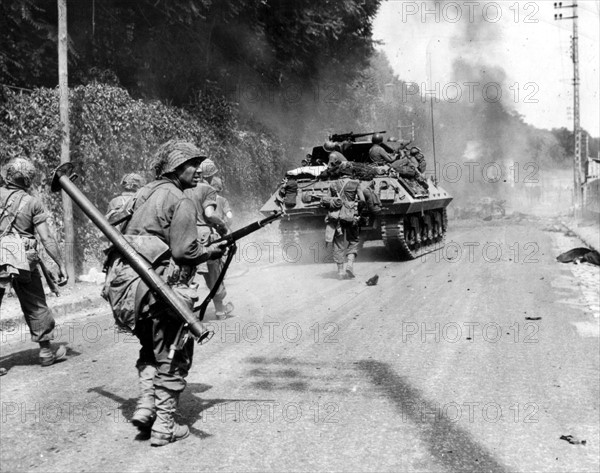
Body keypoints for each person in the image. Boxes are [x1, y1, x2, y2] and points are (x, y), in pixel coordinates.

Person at [102, 140, 225, 446]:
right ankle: (164, 426)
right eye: (190, 165)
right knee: (174, 353)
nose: (196, 170)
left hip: (129, 289)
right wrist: (209, 252)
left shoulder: (143, 193)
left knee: (149, 348)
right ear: (174, 168)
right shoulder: (180, 200)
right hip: (161, 289)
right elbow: (185, 251)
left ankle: (146, 407)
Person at [0, 157, 68, 368]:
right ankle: (46, 352)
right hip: (24, 259)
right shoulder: (32, 203)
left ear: (7, 175)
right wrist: (60, 264)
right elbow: (46, 238)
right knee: (36, 303)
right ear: (28, 180)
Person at [185, 159, 234, 320]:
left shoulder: (183, 189)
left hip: (185, 235)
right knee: (214, 274)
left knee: (185, 275)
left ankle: (183, 311)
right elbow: (210, 214)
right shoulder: (207, 189)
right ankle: (219, 310)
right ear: (210, 175)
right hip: (205, 237)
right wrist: (223, 225)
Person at [323, 162, 365, 280]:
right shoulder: (356, 183)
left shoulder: (333, 184)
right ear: (351, 172)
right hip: (351, 217)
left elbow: (327, 201)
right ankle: (350, 265)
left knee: (338, 243)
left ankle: (340, 272)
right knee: (353, 240)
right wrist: (357, 213)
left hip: (336, 218)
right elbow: (362, 201)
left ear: (340, 172)